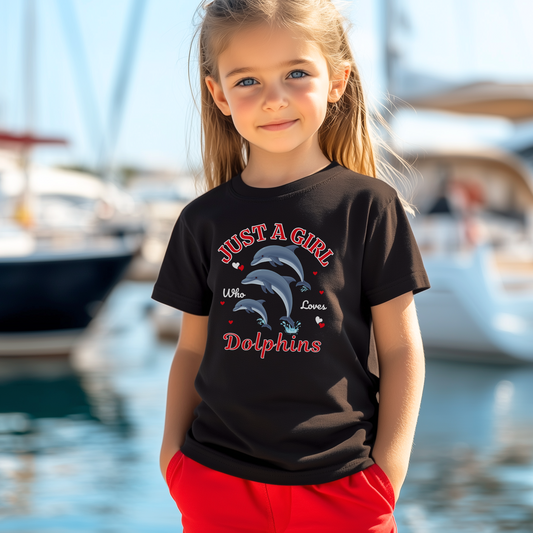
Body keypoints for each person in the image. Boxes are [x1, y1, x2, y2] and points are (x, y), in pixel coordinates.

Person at [151, 0, 431, 531]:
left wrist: (386, 476)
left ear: (337, 80)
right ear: (219, 94)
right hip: (215, 482)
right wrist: (173, 460)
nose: (274, 99)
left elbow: (401, 349)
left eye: (296, 73)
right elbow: (191, 348)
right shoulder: (201, 221)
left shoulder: (370, 207)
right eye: (248, 80)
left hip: (345, 488)